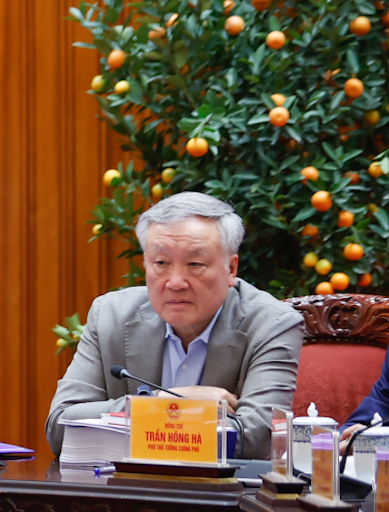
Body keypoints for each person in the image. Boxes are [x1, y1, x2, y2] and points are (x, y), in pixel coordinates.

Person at [46, 191, 302, 459]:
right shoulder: (110, 315)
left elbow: (257, 440)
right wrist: (164, 402)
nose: (176, 282)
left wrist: (150, 420)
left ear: (231, 269)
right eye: (161, 263)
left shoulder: (272, 324)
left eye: (195, 264)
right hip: (125, 484)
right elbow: (60, 426)